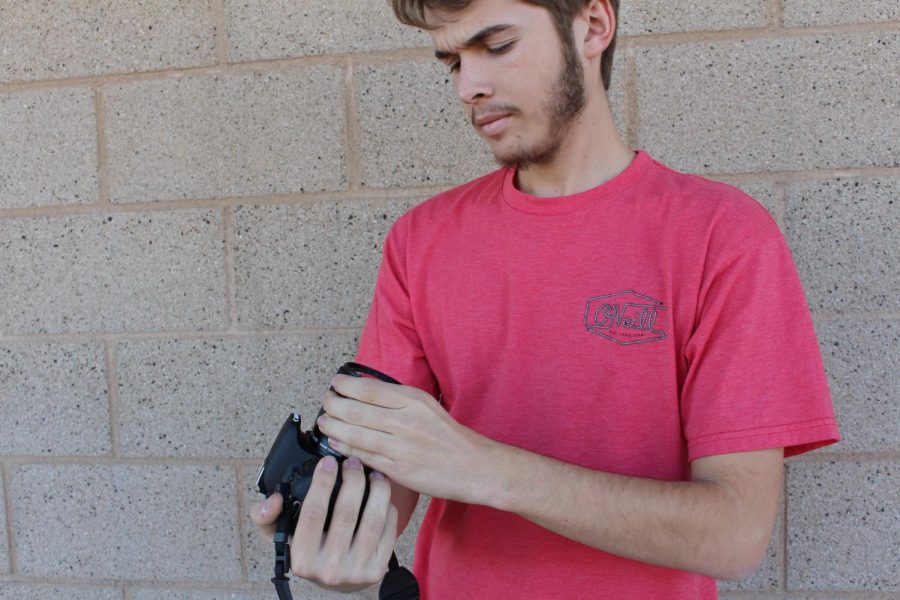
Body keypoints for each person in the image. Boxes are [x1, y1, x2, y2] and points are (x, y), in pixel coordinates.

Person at [251, 1, 840, 598]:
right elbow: (390, 474)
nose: (468, 87)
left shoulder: (723, 236)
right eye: (451, 62)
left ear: (592, 25)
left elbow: (734, 534)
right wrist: (339, 524)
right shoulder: (421, 239)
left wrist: (485, 470)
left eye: (497, 46)